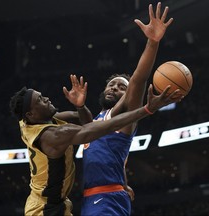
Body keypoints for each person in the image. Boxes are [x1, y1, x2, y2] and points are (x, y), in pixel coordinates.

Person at [9, 74, 182, 216]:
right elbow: (102, 128)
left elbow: (87, 121)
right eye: (40, 99)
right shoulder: (53, 135)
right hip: (45, 209)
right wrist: (146, 110)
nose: (46, 98)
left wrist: (81, 106)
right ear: (32, 113)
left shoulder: (29, 120)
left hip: (50, 202)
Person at [81, 2, 175, 216]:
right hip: (94, 197)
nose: (114, 87)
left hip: (106, 199)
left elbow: (139, 80)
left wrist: (152, 42)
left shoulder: (123, 115)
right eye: (111, 84)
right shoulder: (99, 118)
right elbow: (116, 160)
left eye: (122, 87)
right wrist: (124, 183)